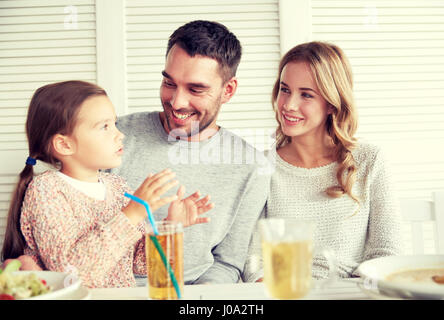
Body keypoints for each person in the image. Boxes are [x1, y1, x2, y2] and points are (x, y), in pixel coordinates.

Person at [1, 80, 213, 288]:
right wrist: (131, 215)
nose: (120, 135)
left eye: (114, 124)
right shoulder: (46, 191)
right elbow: (69, 275)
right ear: (64, 144)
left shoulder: (119, 187)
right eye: (104, 126)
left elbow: (139, 264)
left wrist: (169, 226)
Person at [112, 20, 271, 284]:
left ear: (228, 90)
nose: (177, 102)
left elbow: (227, 263)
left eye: (195, 89)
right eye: (169, 83)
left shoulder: (251, 167)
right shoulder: (113, 136)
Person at [242, 41, 403, 282]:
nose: (288, 104)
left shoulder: (370, 160)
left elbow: (388, 252)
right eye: (285, 89)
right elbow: (253, 259)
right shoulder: (261, 166)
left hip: (353, 295)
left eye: (306, 94)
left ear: (331, 102)